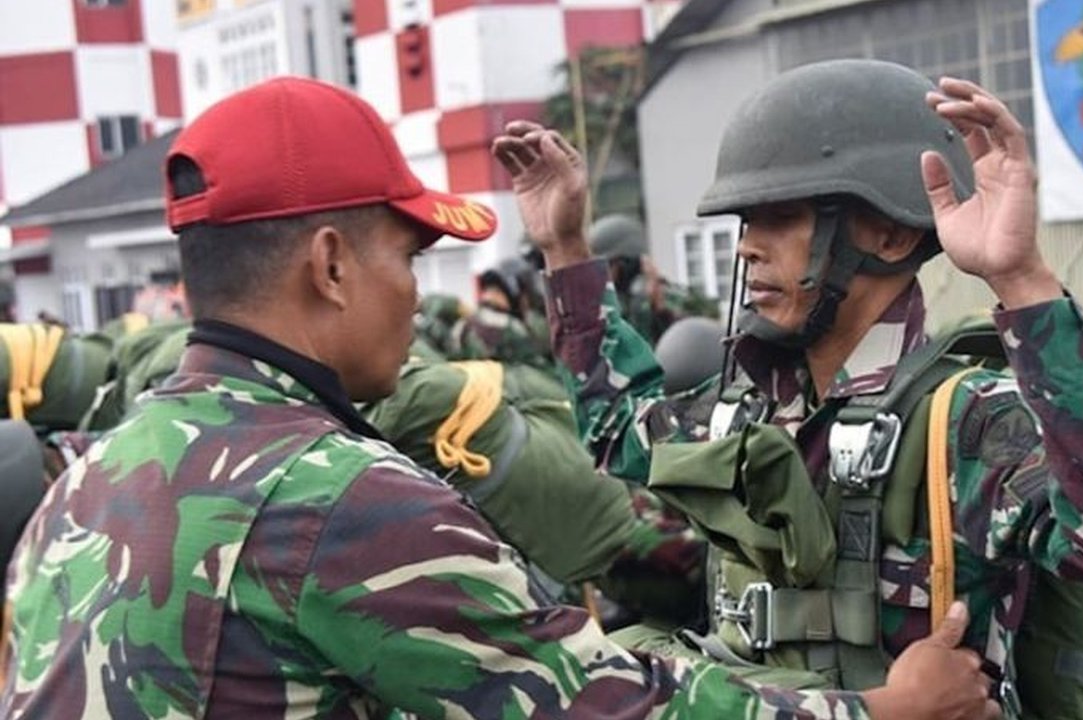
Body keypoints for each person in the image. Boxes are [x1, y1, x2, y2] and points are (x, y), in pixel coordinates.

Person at [1, 76, 995, 719]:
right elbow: (601, 705)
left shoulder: (90, 478)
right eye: (409, 255)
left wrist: (566, 257)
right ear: (332, 265)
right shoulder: (338, 502)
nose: (412, 296)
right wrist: (883, 713)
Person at [494, 59, 1083, 708]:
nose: (746, 245)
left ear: (888, 237)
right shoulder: (745, 413)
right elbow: (619, 428)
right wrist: (565, 249)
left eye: (779, 216)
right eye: (746, 220)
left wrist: (1021, 280)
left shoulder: (969, 424)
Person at [588, 214, 719, 343]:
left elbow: (708, 326)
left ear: (627, 266)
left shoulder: (666, 297)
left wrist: (662, 311)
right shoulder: (604, 306)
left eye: (604, 266)